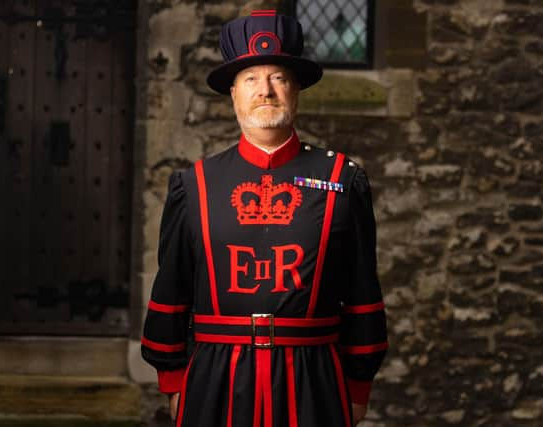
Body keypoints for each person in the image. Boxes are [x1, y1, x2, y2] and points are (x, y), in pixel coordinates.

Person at [141, 10, 388, 427]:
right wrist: (173, 378)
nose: (265, 91)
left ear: (296, 91)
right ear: (233, 93)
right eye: (251, 79)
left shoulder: (343, 179)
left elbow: (362, 288)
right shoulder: (194, 185)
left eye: (279, 78)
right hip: (214, 376)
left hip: (315, 374)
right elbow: (172, 287)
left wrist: (358, 382)